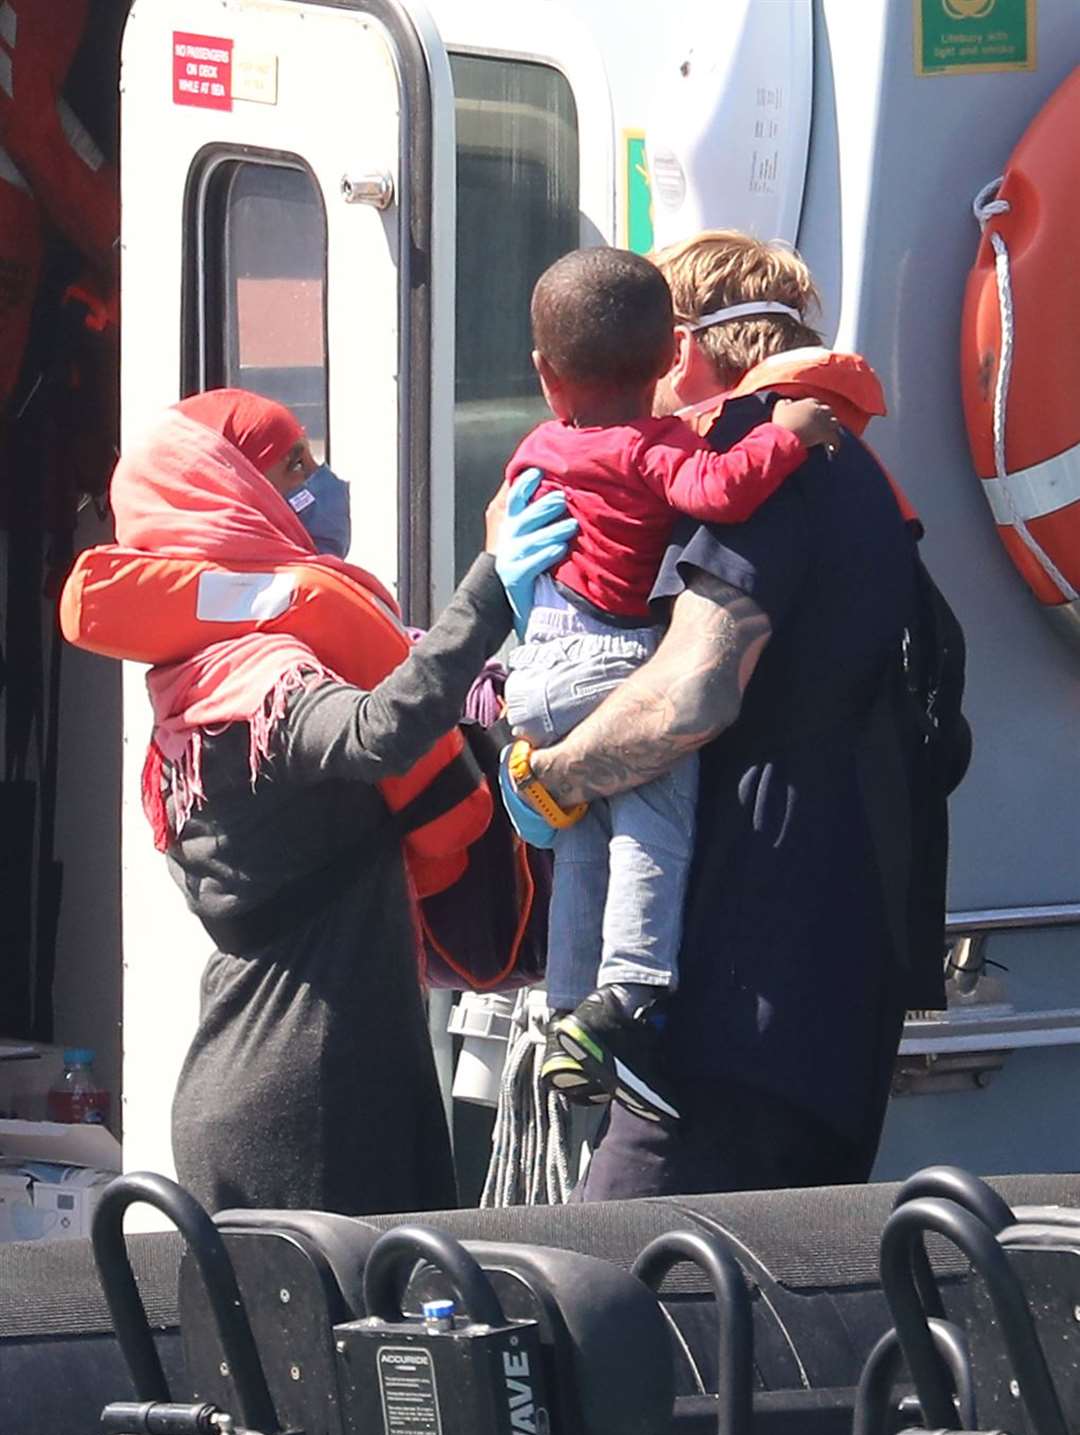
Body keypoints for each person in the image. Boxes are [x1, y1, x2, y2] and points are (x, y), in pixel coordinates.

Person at [502, 230, 957, 1197]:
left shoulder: (767, 464)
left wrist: (549, 777)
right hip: (832, 981)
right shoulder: (853, 471)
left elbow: (691, 693)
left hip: (744, 994)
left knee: (615, 1293)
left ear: (685, 347)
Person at [104, 388, 571, 1215]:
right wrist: (491, 585)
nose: (321, 485)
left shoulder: (197, 686)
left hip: (301, 1082)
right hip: (309, 1099)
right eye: (295, 467)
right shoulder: (252, 686)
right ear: (230, 493)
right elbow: (376, 733)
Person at [500, 247, 839, 1123]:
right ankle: (630, 992)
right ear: (665, 358)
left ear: (544, 374)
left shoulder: (538, 447)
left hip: (534, 664)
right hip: (615, 662)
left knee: (581, 844)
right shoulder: (658, 448)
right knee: (651, 830)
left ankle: (567, 1007)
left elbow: (514, 516)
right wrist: (788, 435)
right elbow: (721, 491)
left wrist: (540, 773)